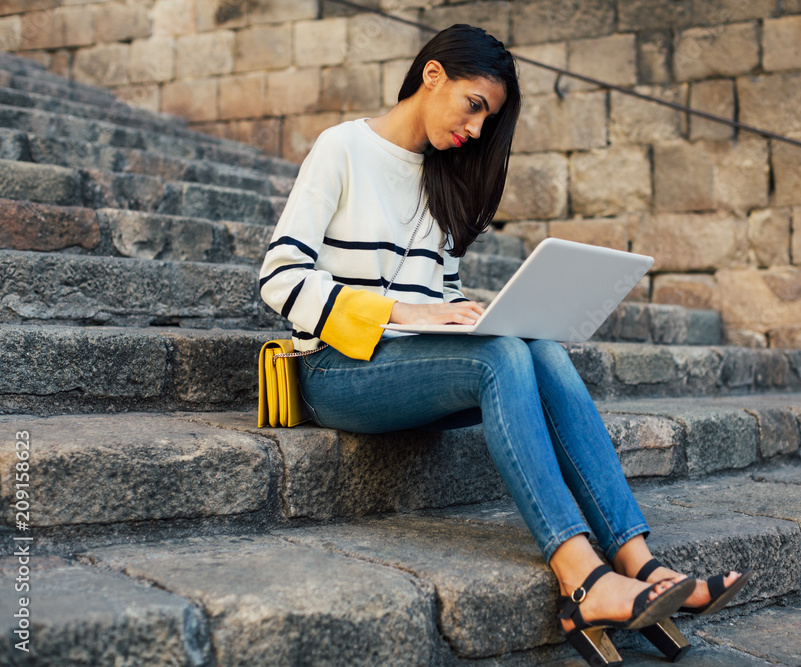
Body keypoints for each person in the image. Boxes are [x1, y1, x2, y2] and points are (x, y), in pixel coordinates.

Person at [259, 23, 747, 664]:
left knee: (536, 345)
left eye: (487, 118)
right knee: (499, 355)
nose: (477, 129)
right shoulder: (342, 148)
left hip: (410, 368)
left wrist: (465, 313)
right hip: (336, 370)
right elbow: (280, 277)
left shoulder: (441, 179)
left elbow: (443, 298)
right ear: (432, 74)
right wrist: (407, 310)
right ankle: (585, 579)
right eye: (475, 107)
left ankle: (643, 564)